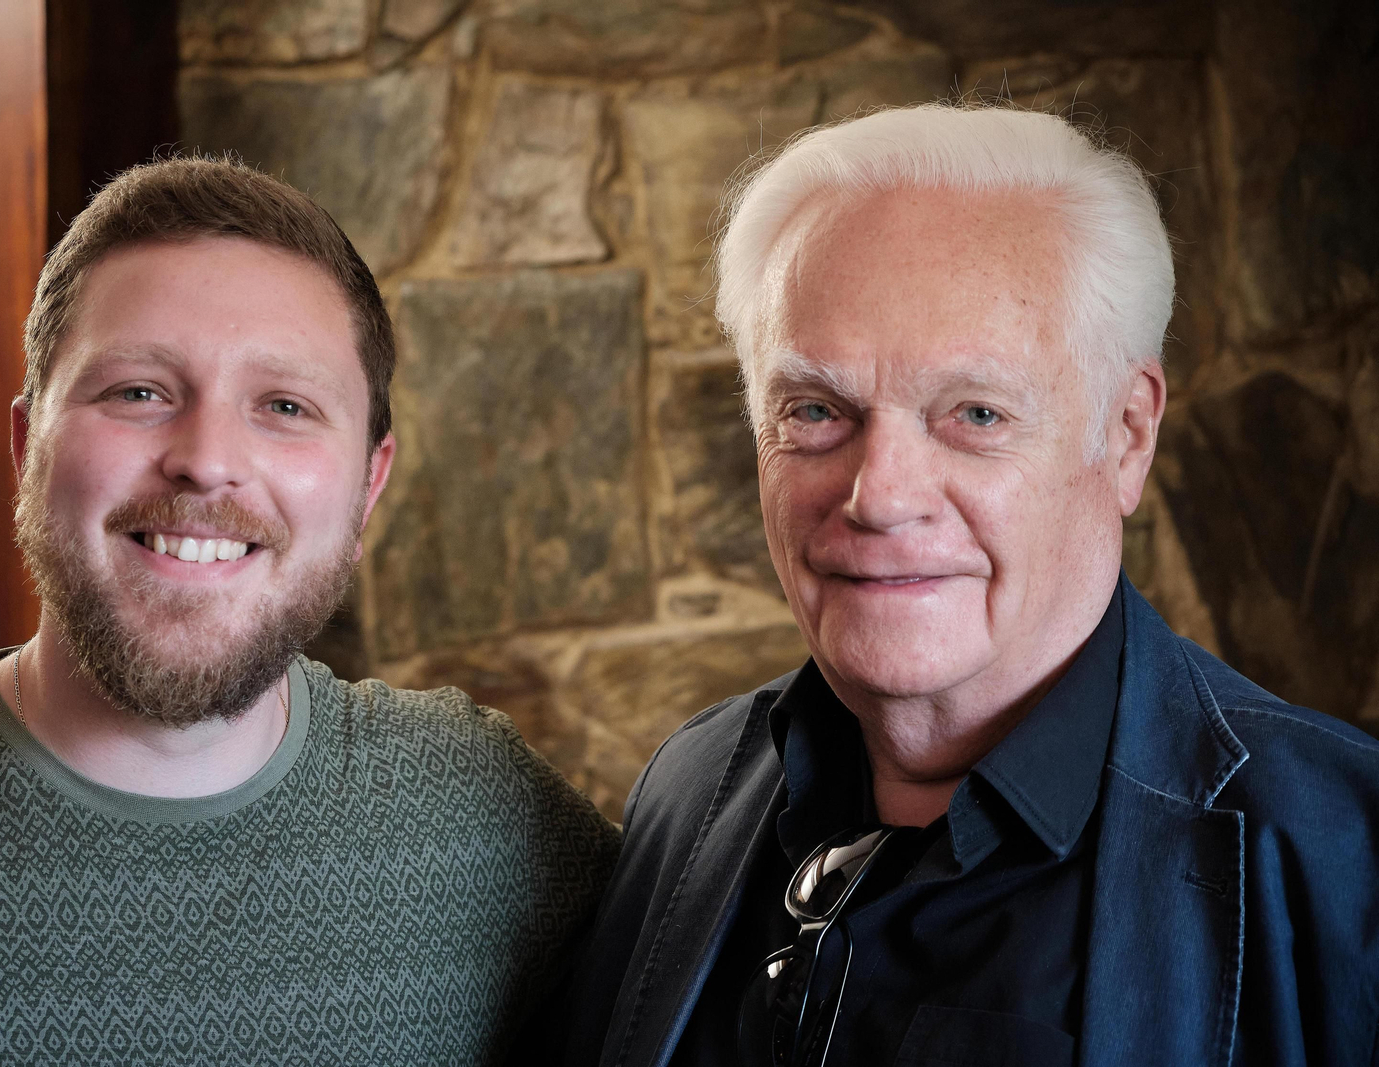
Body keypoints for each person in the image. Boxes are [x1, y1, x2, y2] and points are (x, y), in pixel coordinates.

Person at [557, 104, 1379, 1067]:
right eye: (816, 411)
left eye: (976, 413)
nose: (879, 496)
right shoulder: (688, 788)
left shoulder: (1345, 855)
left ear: (1127, 434)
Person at [0, 157, 620, 1064]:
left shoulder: (482, 810)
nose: (208, 459)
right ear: (28, 449)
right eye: (139, 391)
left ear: (367, 487)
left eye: (285, 405)